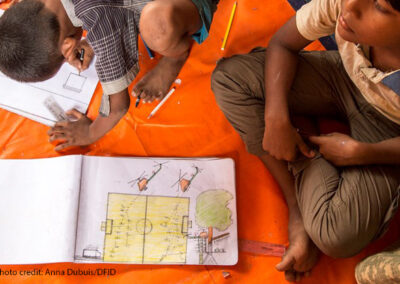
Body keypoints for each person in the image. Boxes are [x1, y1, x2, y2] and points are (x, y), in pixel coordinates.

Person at [211, 0, 400, 281]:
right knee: (230, 80)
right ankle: (298, 207)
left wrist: (364, 153)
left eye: (380, 6)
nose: (350, 9)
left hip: (389, 128)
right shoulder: (345, 6)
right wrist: (276, 117)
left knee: (336, 234)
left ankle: (302, 149)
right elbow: (283, 44)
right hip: (344, 78)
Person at [0, 0, 218, 150]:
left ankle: (176, 55)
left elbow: (118, 107)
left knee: (157, 25)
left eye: (64, 58)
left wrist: (90, 133)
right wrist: (92, 40)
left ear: (68, 48)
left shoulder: (100, 20)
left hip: (186, 4)